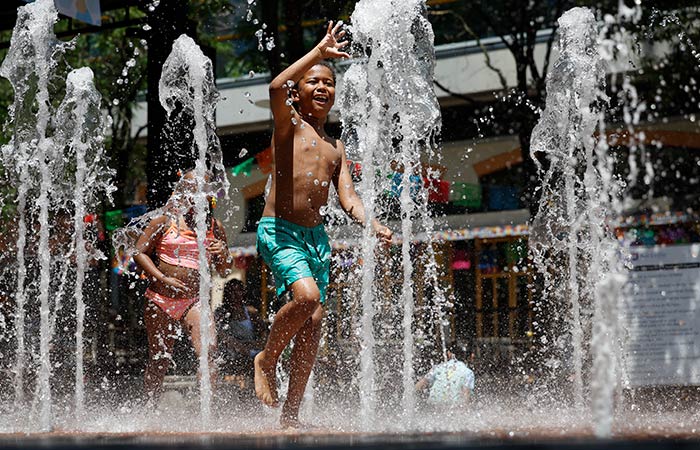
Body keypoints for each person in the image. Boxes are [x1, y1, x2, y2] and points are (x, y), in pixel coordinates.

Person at [254, 21, 393, 428]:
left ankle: (291, 416)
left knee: (313, 323)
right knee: (308, 297)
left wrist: (371, 223)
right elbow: (276, 88)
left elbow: (348, 198)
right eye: (313, 81)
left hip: (315, 239)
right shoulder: (288, 126)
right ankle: (266, 358)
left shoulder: (336, 147)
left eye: (328, 83)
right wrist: (317, 53)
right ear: (299, 93)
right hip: (279, 229)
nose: (321, 87)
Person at [133, 170, 233, 400]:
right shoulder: (165, 220)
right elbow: (138, 251)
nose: (194, 194)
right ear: (180, 193)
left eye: (201, 189)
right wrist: (162, 277)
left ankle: (206, 411)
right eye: (189, 188)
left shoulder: (215, 227)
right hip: (160, 300)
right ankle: (150, 406)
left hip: (194, 301)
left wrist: (224, 253)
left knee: (209, 353)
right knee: (160, 359)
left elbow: (225, 270)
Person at [215, 278, 266, 382]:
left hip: (251, 347)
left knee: (262, 357)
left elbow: (263, 333)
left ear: (243, 292)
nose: (235, 294)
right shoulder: (221, 313)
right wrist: (239, 346)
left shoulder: (251, 312)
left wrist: (256, 344)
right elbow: (220, 334)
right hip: (231, 351)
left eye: (238, 290)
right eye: (231, 291)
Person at [415, 343, 475, 409]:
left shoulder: (438, 368)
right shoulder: (468, 373)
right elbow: (466, 396)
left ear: (449, 354)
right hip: (454, 409)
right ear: (471, 356)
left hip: (433, 408)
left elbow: (419, 385)